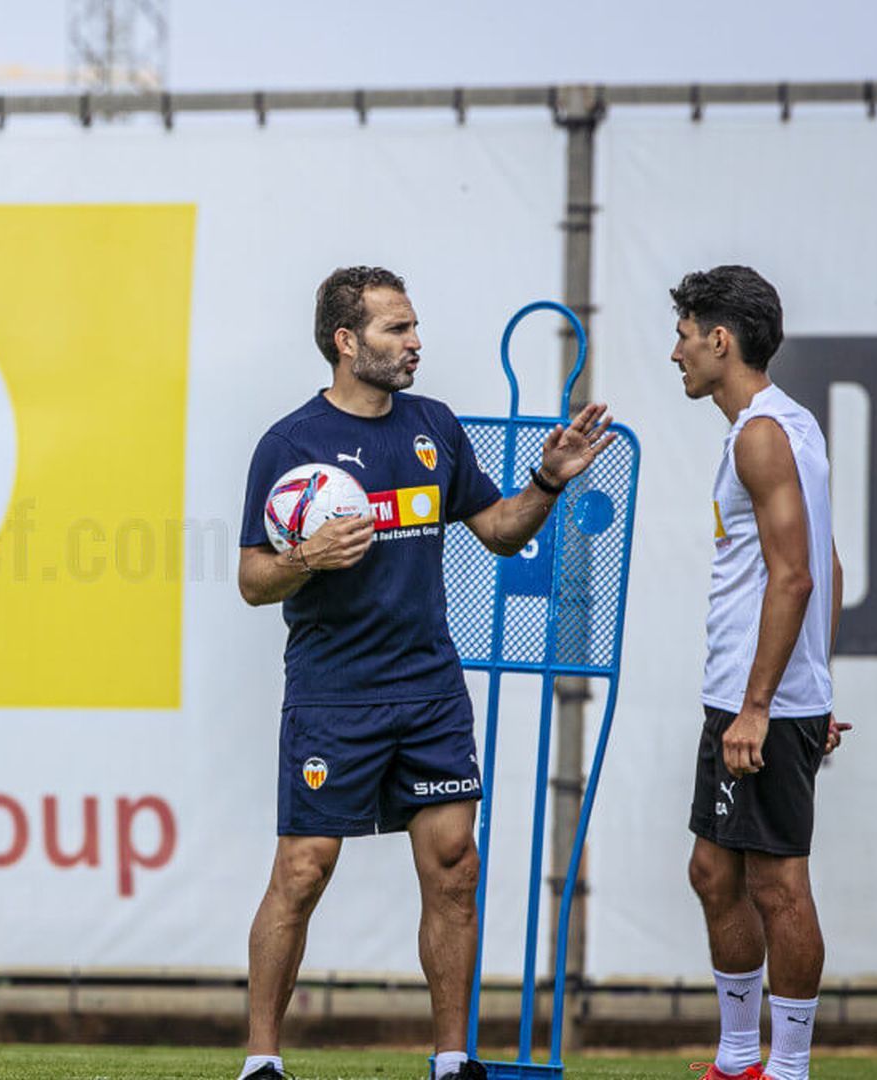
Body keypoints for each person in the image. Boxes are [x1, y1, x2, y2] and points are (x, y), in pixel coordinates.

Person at [234, 266, 617, 1080]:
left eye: (414, 327)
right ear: (347, 341)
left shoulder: (435, 427)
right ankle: (261, 1062)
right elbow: (252, 581)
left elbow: (501, 532)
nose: (415, 342)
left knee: (454, 867)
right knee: (302, 872)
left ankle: (451, 1060)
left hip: (430, 692)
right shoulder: (290, 444)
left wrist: (548, 480)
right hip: (334, 695)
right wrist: (305, 556)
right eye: (396, 329)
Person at [671, 266, 850, 1080]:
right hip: (757, 698)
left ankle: (788, 1070)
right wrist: (810, 688)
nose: (676, 353)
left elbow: (798, 577)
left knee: (778, 886)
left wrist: (762, 706)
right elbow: (829, 566)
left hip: (758, 706)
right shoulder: (790, 425)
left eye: (684, 335)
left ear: (721, 340)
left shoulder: (762, 435)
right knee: (714, 872)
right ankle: (739, 1059)